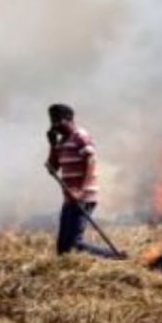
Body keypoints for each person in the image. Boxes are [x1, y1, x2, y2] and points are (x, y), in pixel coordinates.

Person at [45, 103, 120, 258]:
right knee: (63, 248)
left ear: (68, 119)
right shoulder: (62, 142)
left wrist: (81, 191)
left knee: (74, 244)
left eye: (57, 121)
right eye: (52, 121)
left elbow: (90, 161)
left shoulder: (80, 136)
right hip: (70, 198)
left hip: (83, 197)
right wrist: (52, 145)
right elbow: (53, 168)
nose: (54, 126)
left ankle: (114, 258)